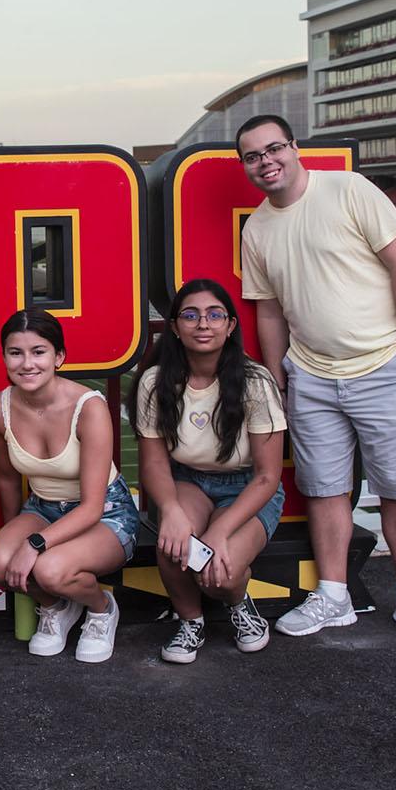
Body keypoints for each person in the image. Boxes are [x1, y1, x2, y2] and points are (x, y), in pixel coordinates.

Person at [236, 113, 396, 643]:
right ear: (246, 166)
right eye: (253, 156)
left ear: (294, 147)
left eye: (273, 148)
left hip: (382, 363)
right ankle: (334, 597)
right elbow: (268, 310)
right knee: (324, 489)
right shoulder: (258, 226)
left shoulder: (349, 189)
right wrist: (277, 375)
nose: (266, 162)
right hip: (310, 373)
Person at [134, 280, 286, 663]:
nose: (203, 324)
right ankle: (192, 621)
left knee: (222, 569)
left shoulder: (255, 381)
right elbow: (153, 461)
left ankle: (239, 605)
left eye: (214, 314)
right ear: (174, 326)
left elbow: (268, 476)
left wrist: (218, 532)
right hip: (188, 480)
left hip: (247, 484)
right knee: (174, 547)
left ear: (230, 326)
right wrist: (169, 510)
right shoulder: (155, 381)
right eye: (190, 315)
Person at [0, 310, 139, 664]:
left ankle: (101, 609)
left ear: (59, 357)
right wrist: (14, 534)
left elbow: (92, 507)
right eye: (15, 352)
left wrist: (33, 545)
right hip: (42, 507)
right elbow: (7, 476)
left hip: (105, 513)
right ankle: (56, 607)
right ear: (4, 356)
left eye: (38, 352)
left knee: (49, 568)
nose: (26, 363)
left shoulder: (89, 408)